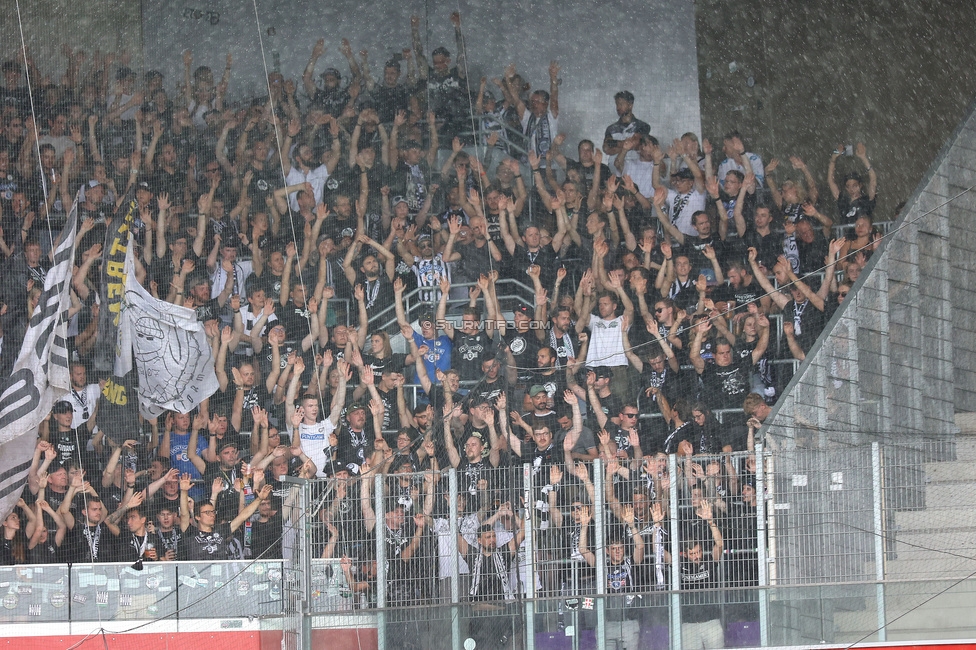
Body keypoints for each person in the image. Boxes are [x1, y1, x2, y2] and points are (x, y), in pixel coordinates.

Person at [178, 472, 272, 560]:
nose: (212, 515)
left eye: (213, 512)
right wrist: (184, 491)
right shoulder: (190, 533)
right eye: (207, 513)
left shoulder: (221, 530)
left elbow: (243, 516)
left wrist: (259, 499)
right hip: (196, 576)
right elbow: (184, 515)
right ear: (197, 517)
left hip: (220, 576)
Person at [678, 500, 725, 649]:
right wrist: (658, 525)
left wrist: (711, 521)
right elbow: (658, 551)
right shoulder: (680, 565)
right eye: (692, 554)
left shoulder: (709, 561)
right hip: (688, 623)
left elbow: (719, 545)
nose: (697, 556)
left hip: (711, 620)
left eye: (698, 552)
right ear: (685, 554)